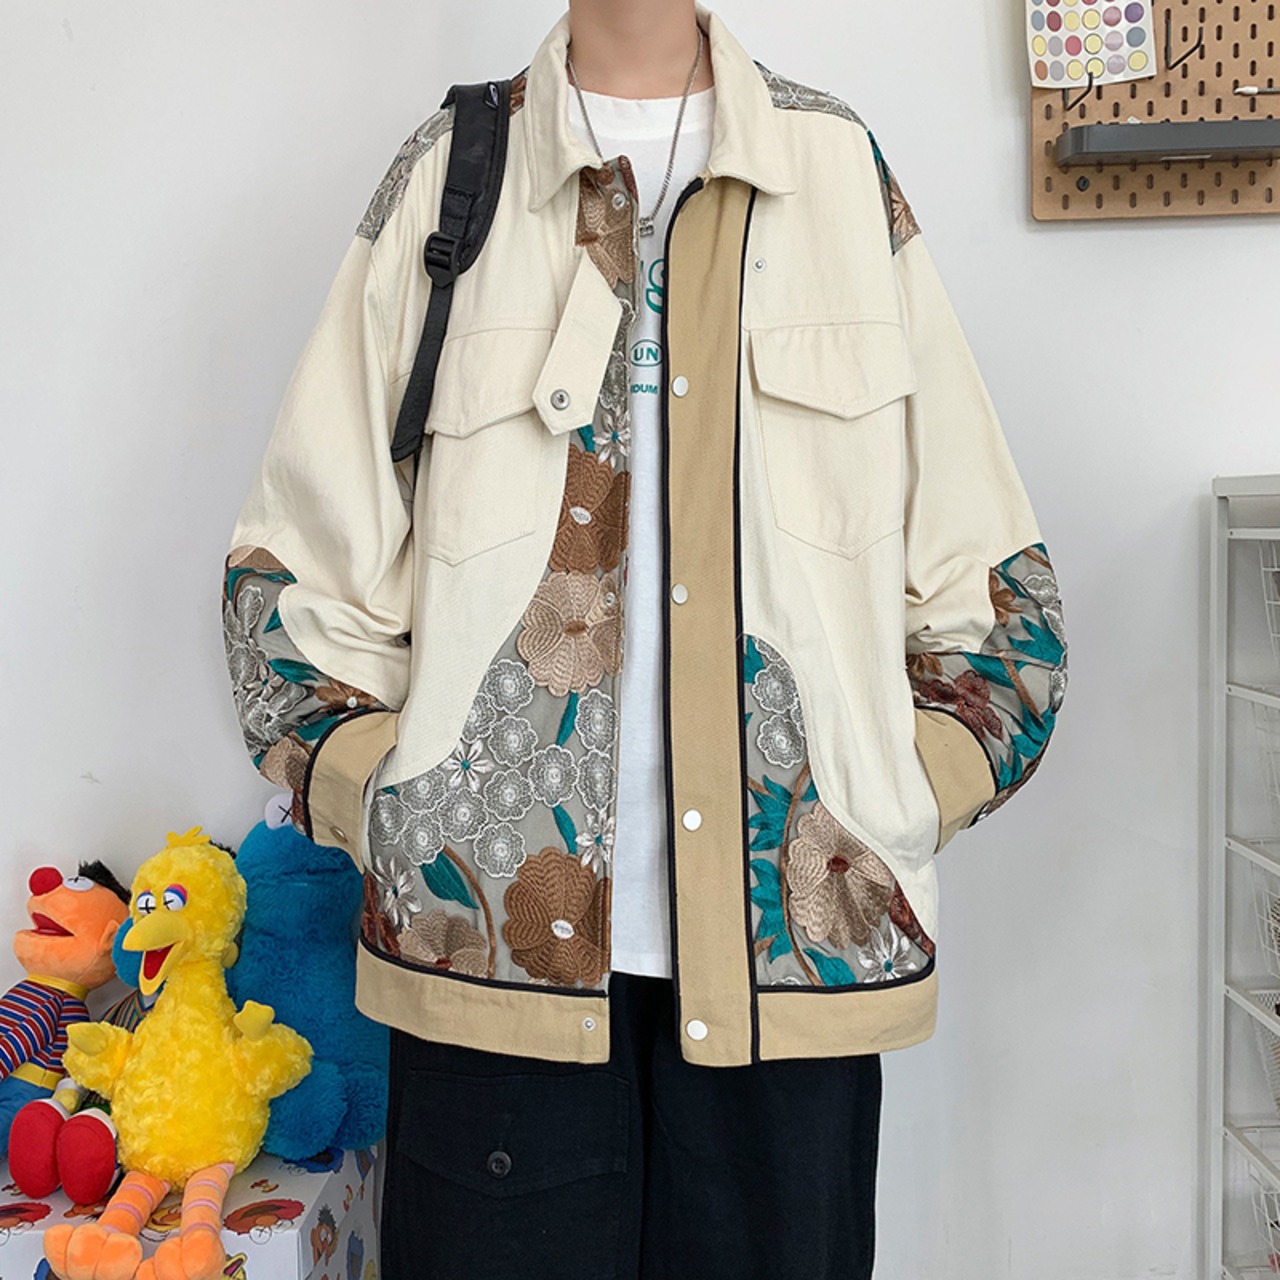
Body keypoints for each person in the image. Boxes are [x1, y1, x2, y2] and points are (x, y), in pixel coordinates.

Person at [220, 2, 1070, 1276]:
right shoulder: (452, 179)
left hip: (792, 993)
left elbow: (998, 596)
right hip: (486, 984)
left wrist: (894, 796)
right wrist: (392, 802)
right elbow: (288, 577)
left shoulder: (834, 171)